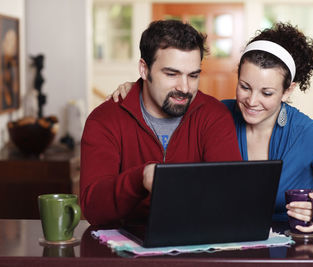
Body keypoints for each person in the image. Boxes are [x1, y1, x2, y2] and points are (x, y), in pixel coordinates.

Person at [110, 22, 313, 233]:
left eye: (267, 92)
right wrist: (137, 88)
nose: (251, 101)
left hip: (293, 249)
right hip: (225, 244)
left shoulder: (305, 132)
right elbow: (168, 99)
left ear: (288, 90)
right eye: (245, 87)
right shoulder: (214, 115)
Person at [81, 20, 242, 226]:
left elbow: (230, 196)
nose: (184, 88)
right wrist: (140, 178)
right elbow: (93, 209)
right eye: (171, 74)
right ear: (144, 69)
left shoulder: (214, 116)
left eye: (193, 76)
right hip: (125, 250)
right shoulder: (104, 120)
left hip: (197, 243)